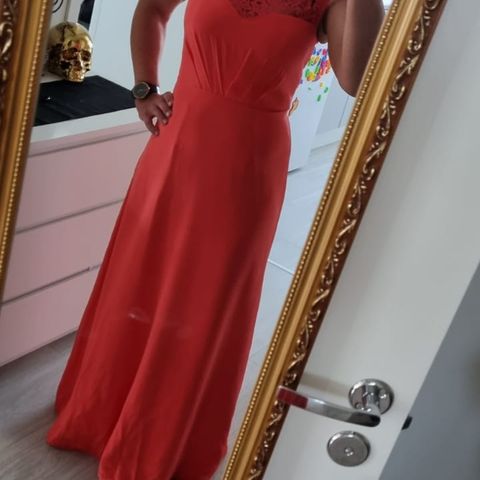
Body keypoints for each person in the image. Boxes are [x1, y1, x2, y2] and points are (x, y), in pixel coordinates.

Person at [45, 0, 384, 479]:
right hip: (178, 145)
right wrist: (144, 88)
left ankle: (161, 437)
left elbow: (358, 80)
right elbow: (152, 10)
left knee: (205, 303)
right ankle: (99, 411)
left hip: (249, 166)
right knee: (139, 278)